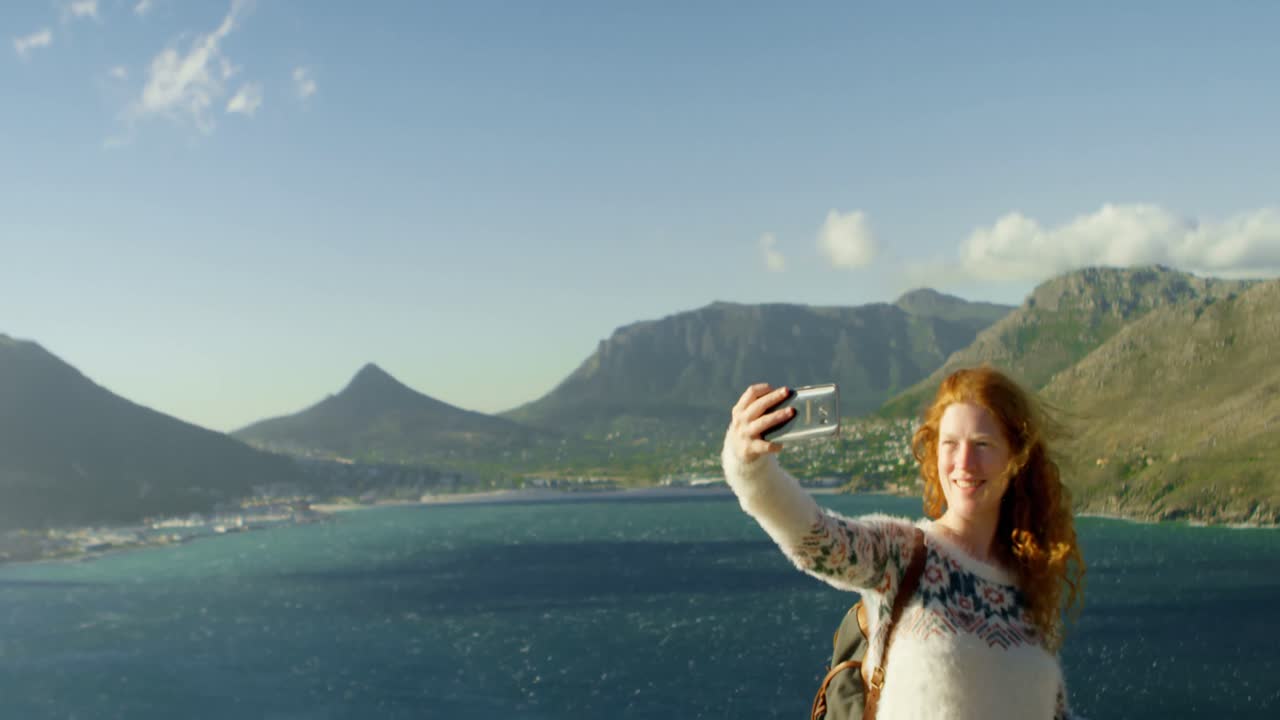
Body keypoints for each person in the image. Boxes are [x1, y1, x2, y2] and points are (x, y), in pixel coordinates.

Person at [722, 366, 1085, 720]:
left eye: (982, 444)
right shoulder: (903, 554)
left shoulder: (1030, 591)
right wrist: (748, 468)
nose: (963, 463)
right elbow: (816, 538)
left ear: (1016, 458)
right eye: (950, 444)